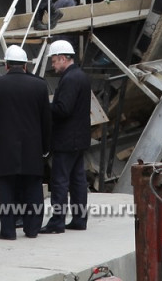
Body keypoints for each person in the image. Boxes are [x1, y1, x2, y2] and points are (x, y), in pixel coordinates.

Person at [0, 44, 52, 240]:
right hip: (33, 148)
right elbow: (46, 120)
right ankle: (33, 229)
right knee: (33, 188)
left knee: (7, 189)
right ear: (26, 65)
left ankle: (8, 231)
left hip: (6, 149)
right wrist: (46, 147)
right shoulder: (40, 85)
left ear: (6, 65)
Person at [42, 39, 90, 233]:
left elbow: (63, 109)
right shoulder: (80, 76)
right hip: (79, 138)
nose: (53, 66)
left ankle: (57, 221)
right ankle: (79, 219)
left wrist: (44, 107)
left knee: (60, 180)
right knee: (78, 179)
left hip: (66, 139)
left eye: (54, 61)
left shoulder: (70, 79)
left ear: (62, 58)